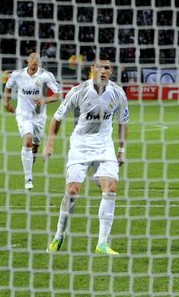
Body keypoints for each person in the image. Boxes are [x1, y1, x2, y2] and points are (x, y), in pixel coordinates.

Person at [43, 56, 129, 255]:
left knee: (111, 188)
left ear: (111, 71)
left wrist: (122, 150)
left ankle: (102, 244)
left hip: (104, 146)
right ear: (93, 69)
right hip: (80, 146)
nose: (104, 71)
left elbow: (123, 123)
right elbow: (57, 118)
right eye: (100, 67)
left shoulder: (118, 93)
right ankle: (58, 236)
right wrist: (50, 143)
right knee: (72, 192)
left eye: (108, 68)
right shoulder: (78, 92)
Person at [2, 52, 61, 189]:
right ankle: (28, 179)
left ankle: (32, 154)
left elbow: (58, 95)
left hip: (39, 117)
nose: (35, 62)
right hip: (23, 114)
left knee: (35, 145)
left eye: (37, 60)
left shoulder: (46, 75)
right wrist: (6, 102)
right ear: (27, 61)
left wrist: (45, 100)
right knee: (27, 140)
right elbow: (8, 87)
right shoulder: (17, 74)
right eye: (32, 59)